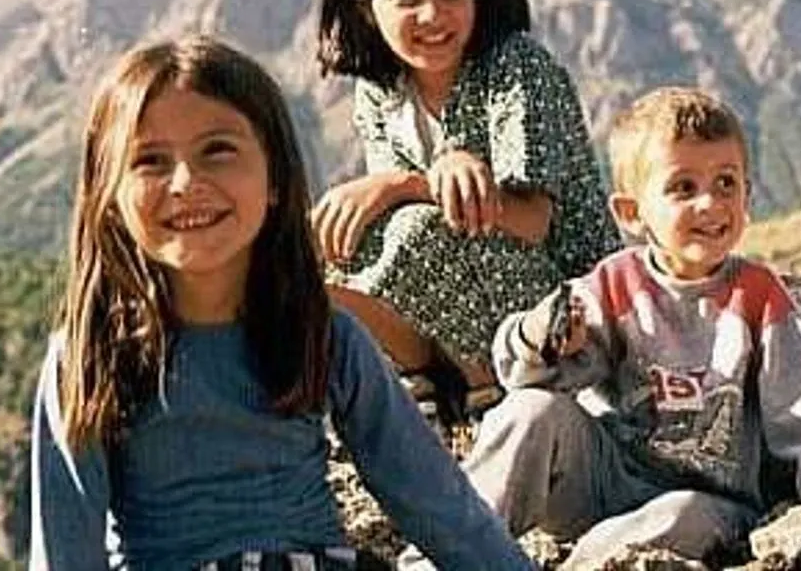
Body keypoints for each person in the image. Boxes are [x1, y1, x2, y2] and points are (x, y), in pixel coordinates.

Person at [27, 36, 534, 570]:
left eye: (217, 151)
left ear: (274, 178)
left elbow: (436, 502)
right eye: (149, 161)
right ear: (109, 199)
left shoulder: (324, 335)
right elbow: (65, 553)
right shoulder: (91, 357)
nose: (186, 183)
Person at [463, 87, 801, 568]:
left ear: (748, 194)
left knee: (679, 514)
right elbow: (524, 376)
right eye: (683, 187)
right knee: (531, 411)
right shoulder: (614, 284)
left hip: (709, 502)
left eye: (726, 183)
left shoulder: (758, 296)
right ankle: (447, 550)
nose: (710, 203)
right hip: (606, 479)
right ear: (631, 213)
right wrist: (543, 340)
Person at [314, 0, 620, 416]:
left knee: (414, 230)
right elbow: (383, 228)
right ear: (366, 9)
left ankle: (486, 392)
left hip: (565, 304)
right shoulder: (380, 92)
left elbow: (533, 222)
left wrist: (411, 183)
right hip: (461, 300)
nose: (432, 14)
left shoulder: (516, 67)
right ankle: (427, 382)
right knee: (314, 265)